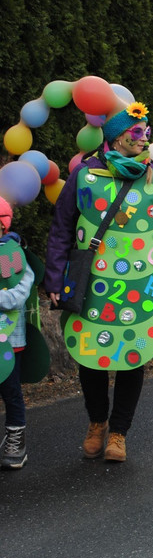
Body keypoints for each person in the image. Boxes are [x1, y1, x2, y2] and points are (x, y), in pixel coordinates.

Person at [44, 102, 153, 462]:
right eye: (137, 132)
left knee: (132, 354)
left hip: (138, 284)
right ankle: (97, 423)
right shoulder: (85, 175)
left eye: (147, 132)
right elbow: (61, 228)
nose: (144, 138)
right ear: (117, 136)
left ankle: (119, 433)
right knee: (90, 353)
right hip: (93, 282)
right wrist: (55, 278)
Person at [0, 198, 35, 470]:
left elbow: (17, 295)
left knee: (10, 391)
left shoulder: (11, 255)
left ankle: (16, 441)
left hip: (8, 339)